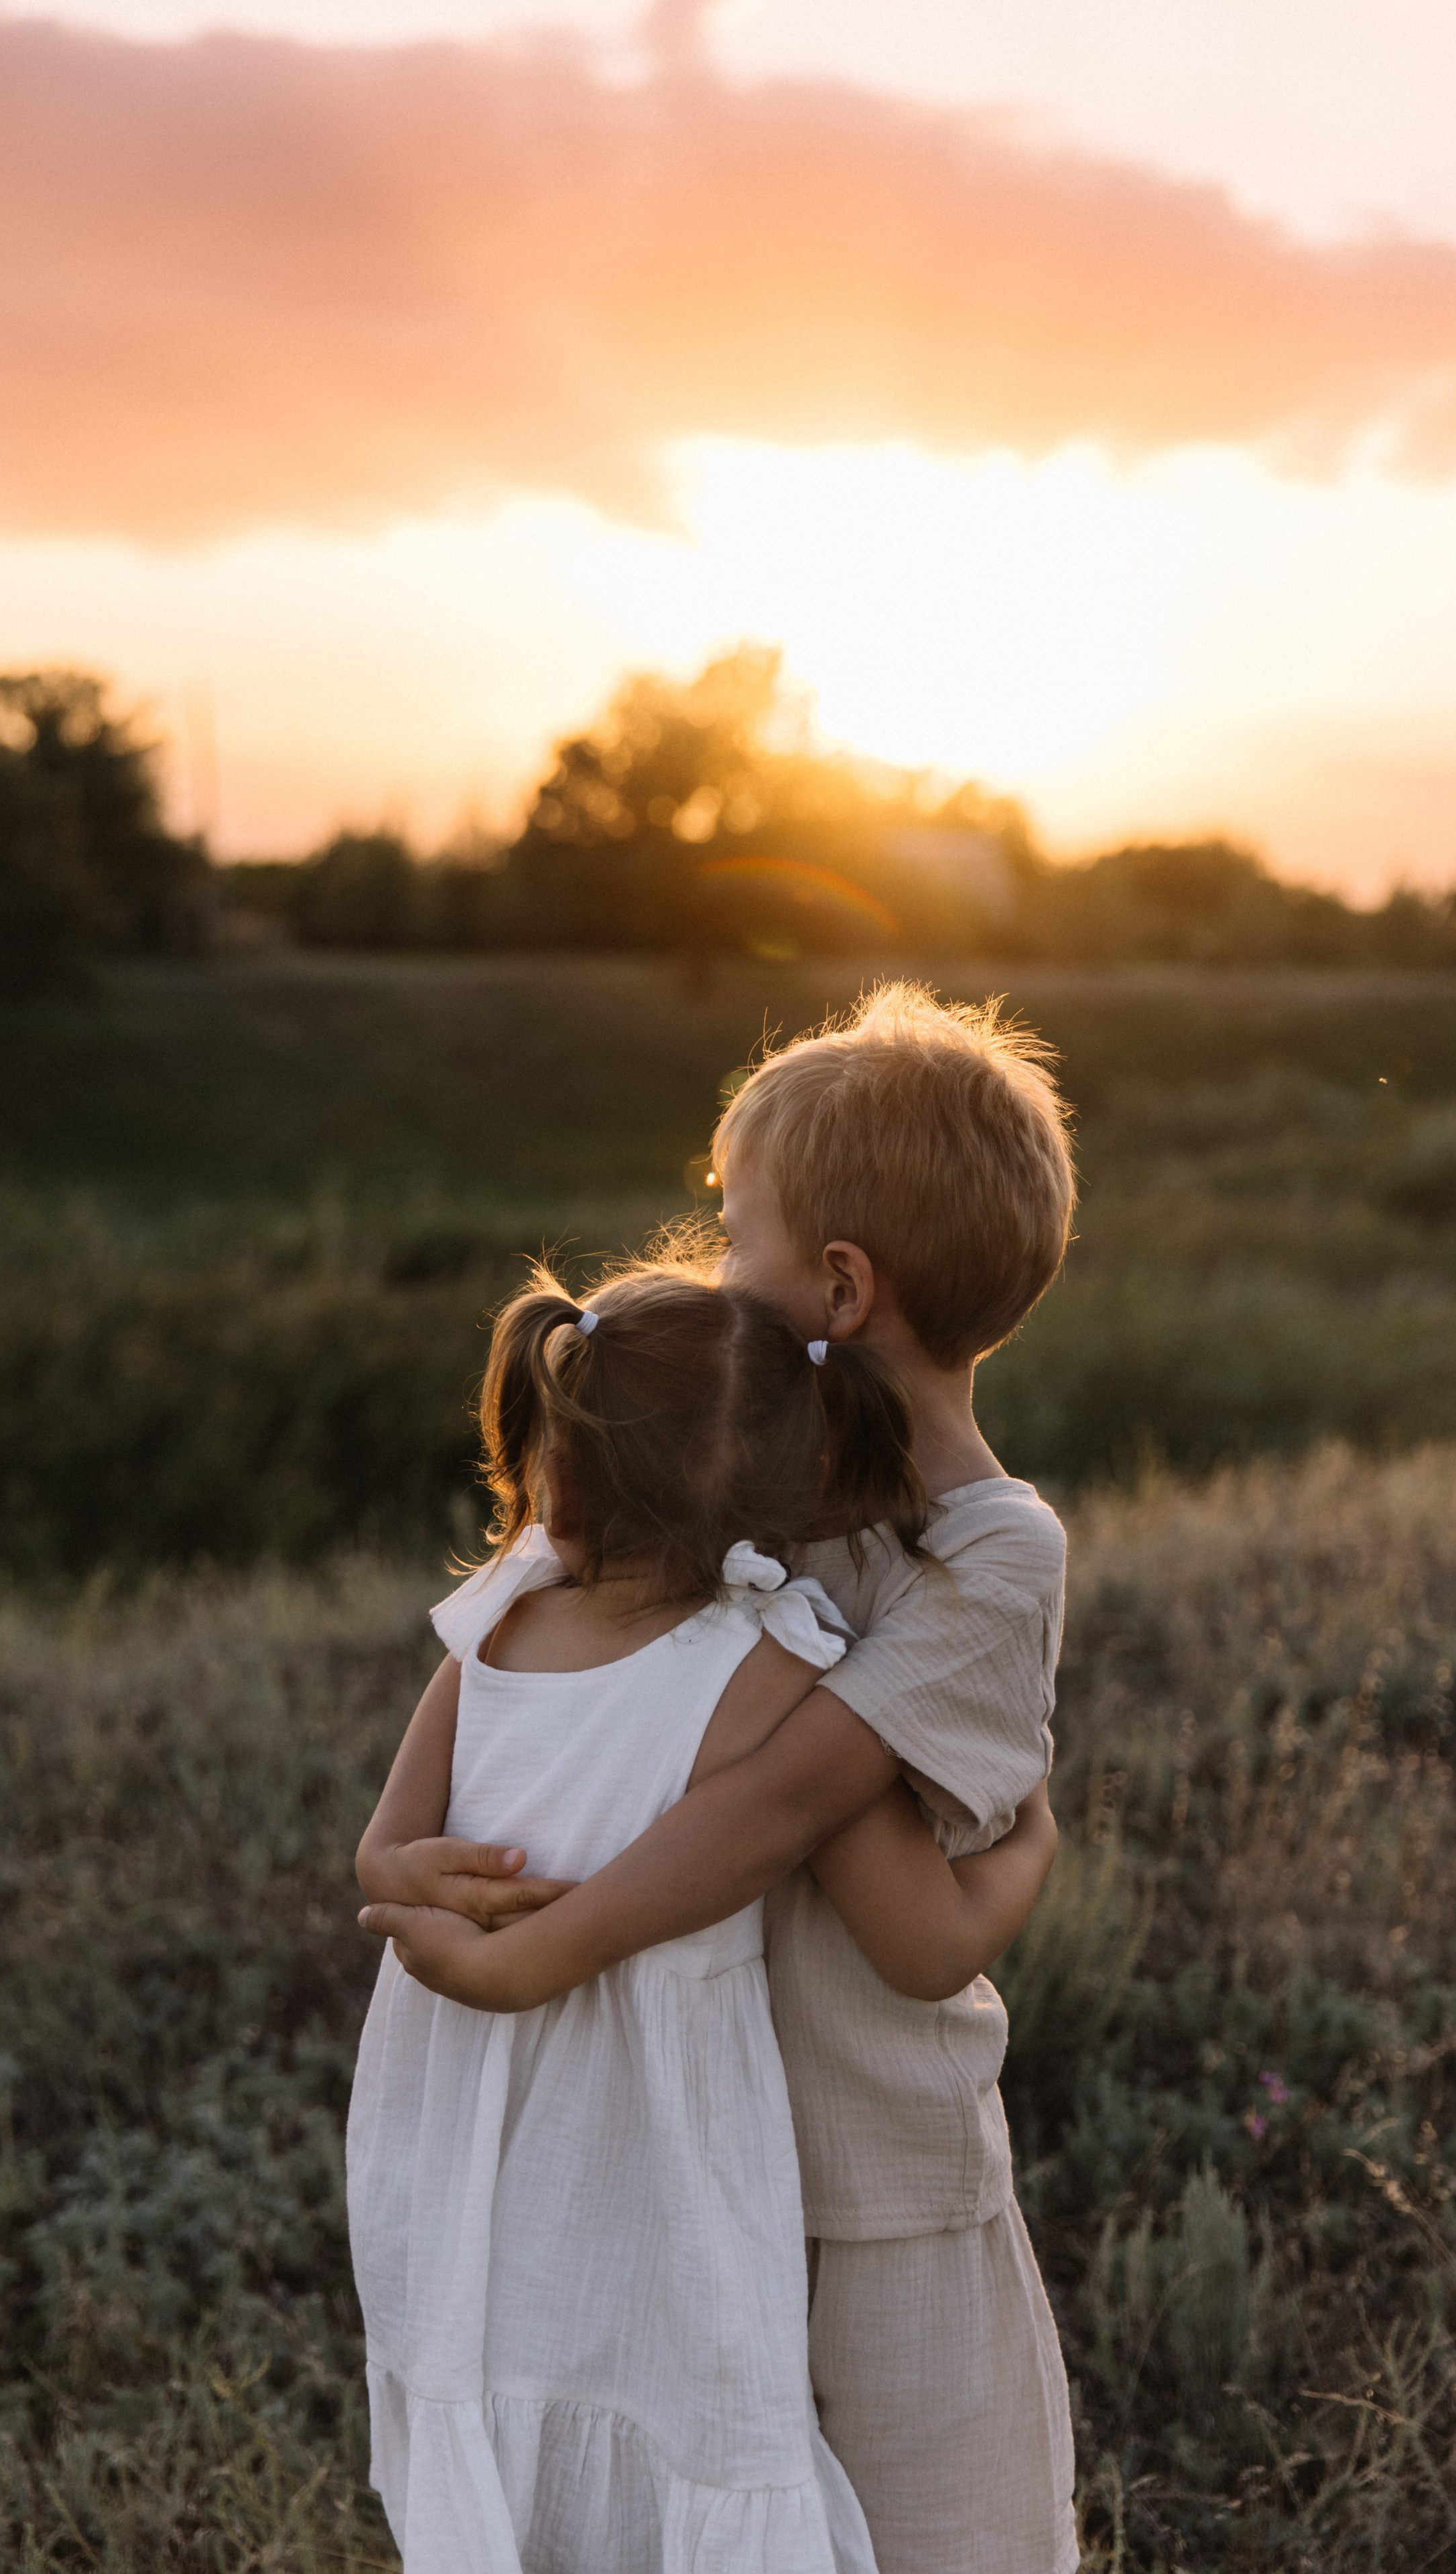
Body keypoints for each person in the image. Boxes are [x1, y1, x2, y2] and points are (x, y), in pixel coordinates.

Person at [365, 982, 1080, 2574]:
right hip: (675, 2151)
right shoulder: (725, 1470)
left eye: (733, 1226)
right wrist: (403, 1849)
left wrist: (535, 1944)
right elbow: (520, 1664)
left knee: (938, 2534)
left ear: (836, 1282)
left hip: (866, 2170)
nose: (711, 1257)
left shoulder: (985, 1548)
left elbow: (789, 1812)